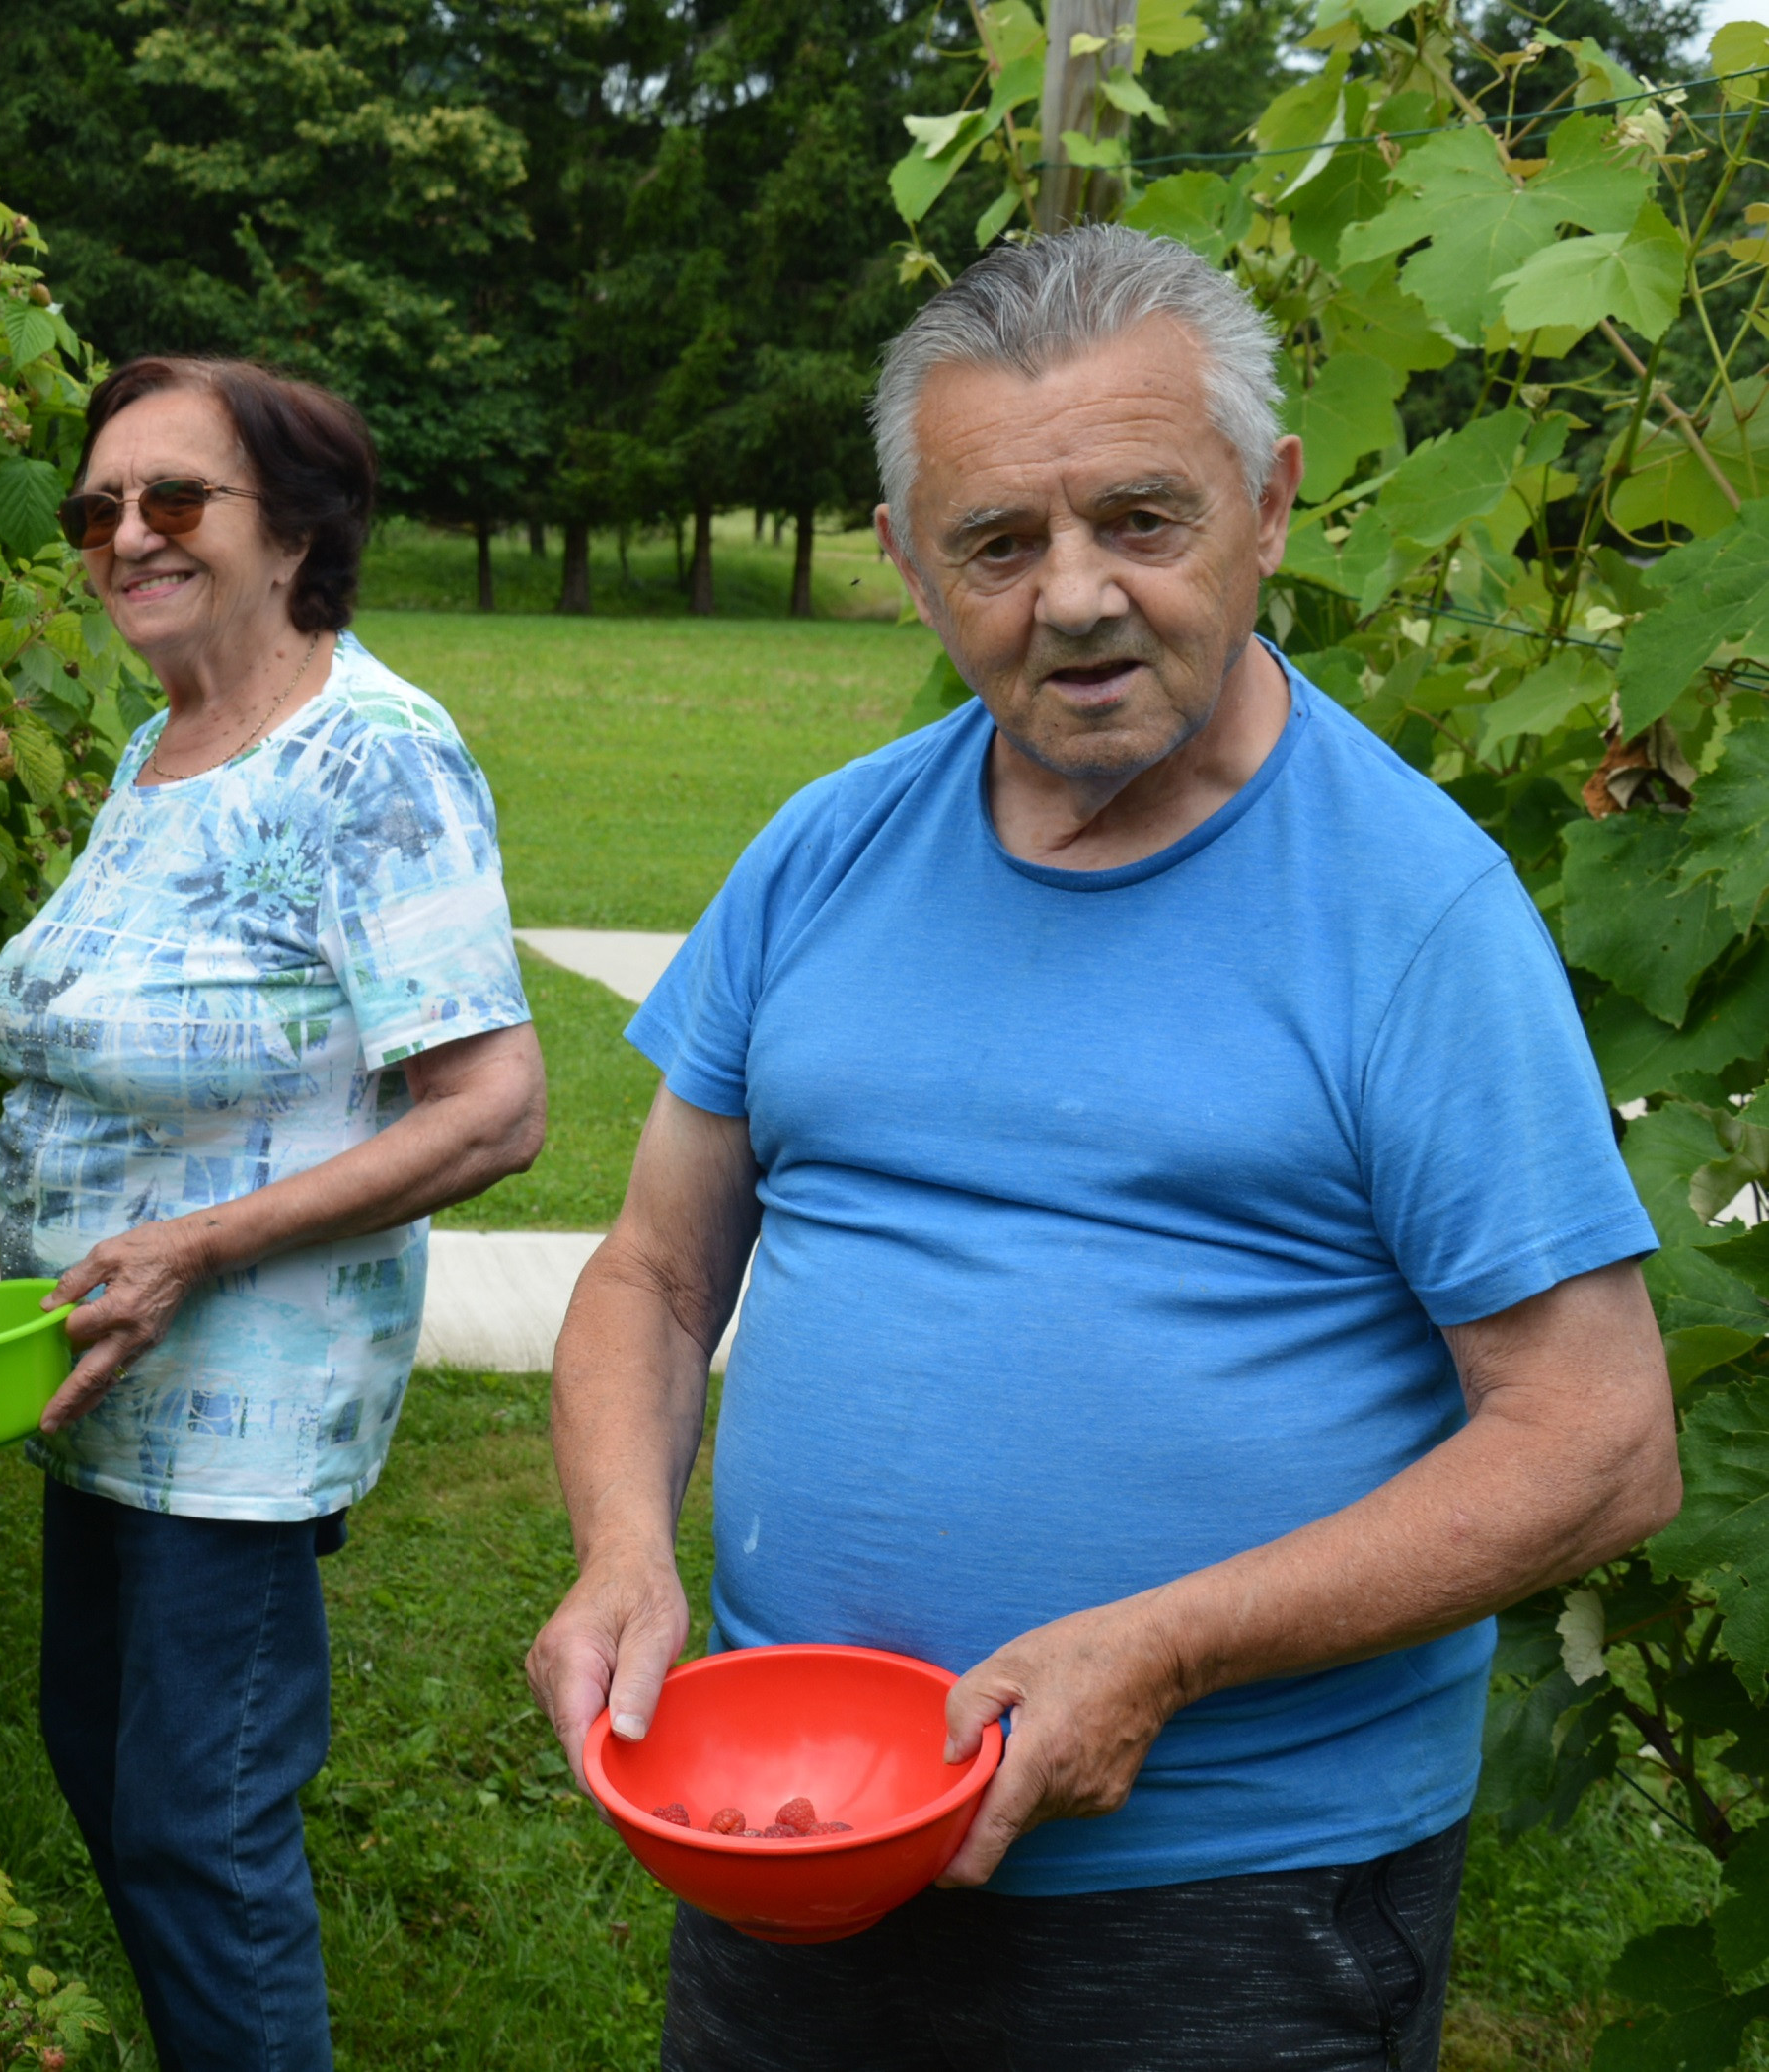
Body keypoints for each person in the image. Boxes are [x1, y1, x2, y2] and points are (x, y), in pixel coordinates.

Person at [523, 225, 1682, 2070]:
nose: (1071, 597)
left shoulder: (1411, 913)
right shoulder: (820, 853)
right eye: (997, 542)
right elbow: (654, 1277)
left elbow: (1598, 1443)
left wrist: (1167, 1649)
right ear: (908, 564)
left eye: (1139, 520)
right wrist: (615, 1557)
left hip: (1227, 1901)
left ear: (1268, 504)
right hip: (794, 1837)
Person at [0, 355, 545, 2071]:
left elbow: (495, 1108)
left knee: (197, 1830)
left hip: (236, 1392)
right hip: (95, 1362)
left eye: (171, 500)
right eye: (95, 510)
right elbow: (188, 1009)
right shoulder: (170, 744)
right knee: (107, 1769)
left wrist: (200, 1245)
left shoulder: (368, 758)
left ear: (293, 530)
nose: (123, 535)